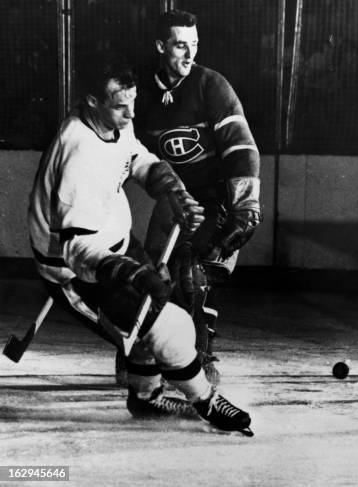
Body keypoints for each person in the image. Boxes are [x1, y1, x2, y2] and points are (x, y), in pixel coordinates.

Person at [27, 56, 253, 436]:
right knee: (167, 325)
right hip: (75, 269)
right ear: (92, 101)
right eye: (120, 105)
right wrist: (130, 271)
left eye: (133, 102)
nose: (131, 113)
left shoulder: (108, 120)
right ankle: (206, 400)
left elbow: (134, 156)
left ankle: (145, 399)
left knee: (158, 311)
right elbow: (77, 250)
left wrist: (172, 187)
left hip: (113, 244)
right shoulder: (78, 157)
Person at [135, 9, 262, 383]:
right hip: (173, 200)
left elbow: (241, 147)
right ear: (161, 46)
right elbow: (127, 150)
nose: (189, 54)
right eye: (179, 45)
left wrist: (246, 205)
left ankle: (200, 360)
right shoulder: (141, 92)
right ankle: (147, 357)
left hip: (215, 200)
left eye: (194, 45)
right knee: (152, 275)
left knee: (193, 275)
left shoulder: (212, 85)